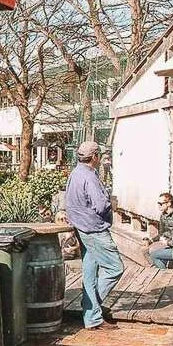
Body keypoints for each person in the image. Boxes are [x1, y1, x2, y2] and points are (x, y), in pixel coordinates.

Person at [65, 141, 124, 330]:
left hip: (81, 228)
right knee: (115, 268)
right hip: (94, 229)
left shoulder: (75, 174)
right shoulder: (90, 177)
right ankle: (91, 308)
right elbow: (101, 205)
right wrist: (111, 201)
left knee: (89, 274)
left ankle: (92, 319)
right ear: (95, 157)